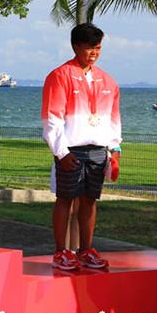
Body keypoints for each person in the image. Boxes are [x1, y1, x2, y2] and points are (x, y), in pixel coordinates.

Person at [41, 23, 121, 270]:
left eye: (98, 48)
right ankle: (60, 251)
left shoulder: (107, 80)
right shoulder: (60, 76)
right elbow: (51, 118)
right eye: (89, 48)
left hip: (98, 150)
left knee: (90, 200)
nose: (94, 53)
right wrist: (61, 152)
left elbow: (114, 119)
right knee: (65, 199)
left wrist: (115, 150)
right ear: (76, 46)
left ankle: (86, 250)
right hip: (71, 150)